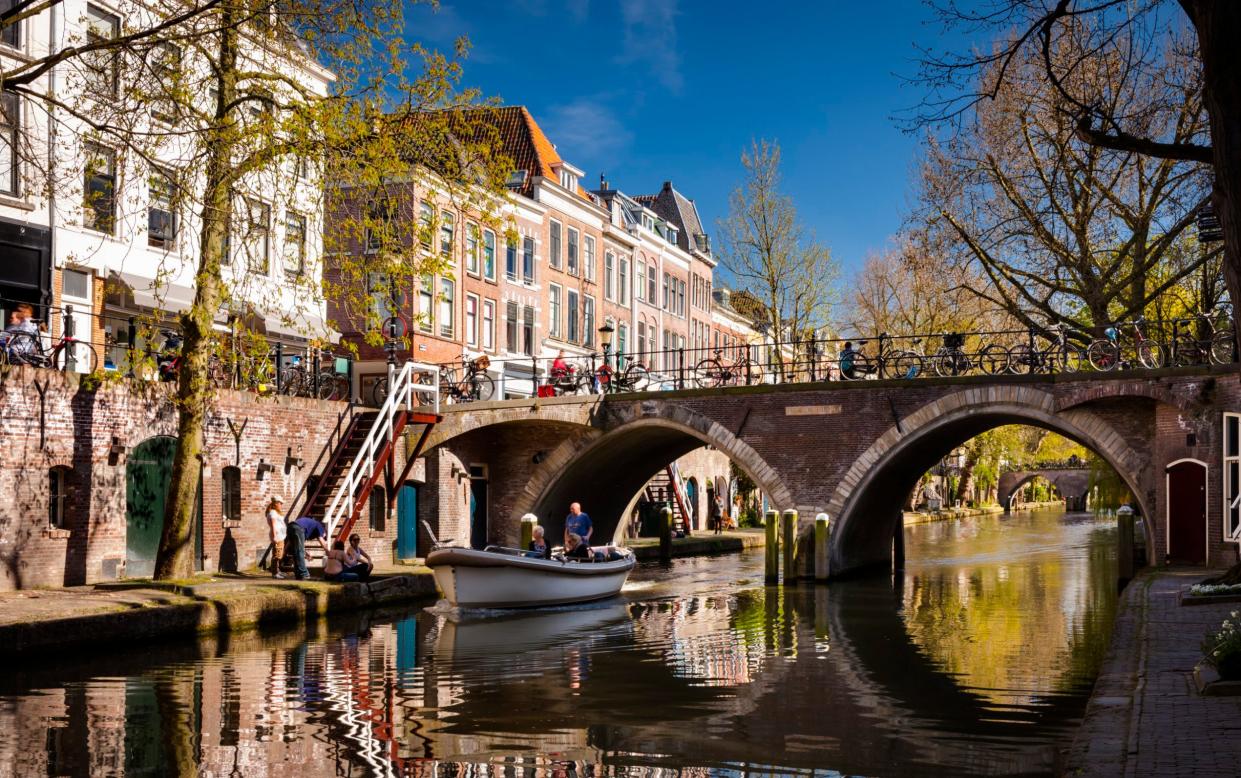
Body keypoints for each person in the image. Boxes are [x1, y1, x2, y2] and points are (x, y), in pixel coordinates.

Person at [285, 515, 329, 580]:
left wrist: (285, 550)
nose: (324, 537)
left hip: (290, 527)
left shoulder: (310, 527)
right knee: (299, 553)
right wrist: (328, 552)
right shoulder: (319, 526)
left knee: (296, 552)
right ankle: (304, 574)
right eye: (324, 536)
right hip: (298, 528)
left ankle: (298, 574)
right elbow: (320, 539)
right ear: (325, 531)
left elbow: (299, 546)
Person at [267, 497, 287, 578]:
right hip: (277, 536)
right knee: (277, 554)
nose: (281, 505)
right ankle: (274, 573)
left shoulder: (275, 512)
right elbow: (273, 525)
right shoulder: (273, 513)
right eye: (280, 503)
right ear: (276, 503)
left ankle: (277, 571)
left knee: (280, 553)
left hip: (281, 536)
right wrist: (274, 536)